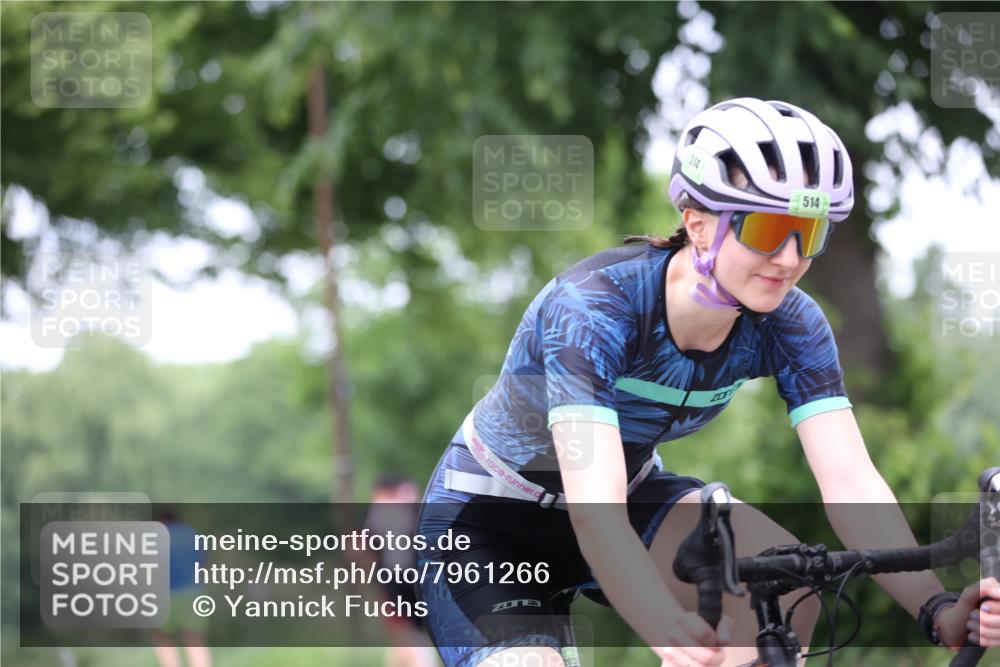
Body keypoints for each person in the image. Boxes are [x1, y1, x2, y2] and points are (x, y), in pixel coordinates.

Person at [416, 97, 1000, 667]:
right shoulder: (595, 308)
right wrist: (674, 636)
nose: (791, 258)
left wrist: (939, 609)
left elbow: (849, 477)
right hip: (490, 521)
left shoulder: (791, 322)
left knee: (785, 589)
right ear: (697, 224)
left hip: (633, 495)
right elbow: (595, 512)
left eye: (810, 232)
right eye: (770, 229)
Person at [364, 475, 440, 667]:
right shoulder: (396, 510)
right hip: (400, 580)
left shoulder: (380, 511)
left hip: (400, 580)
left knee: (406, 637)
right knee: (409, 637)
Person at [150, 508, 212, 667]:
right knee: (195, 640)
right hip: (192, 593)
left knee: (163, 639)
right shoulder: (192, 534)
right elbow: (203, 565)